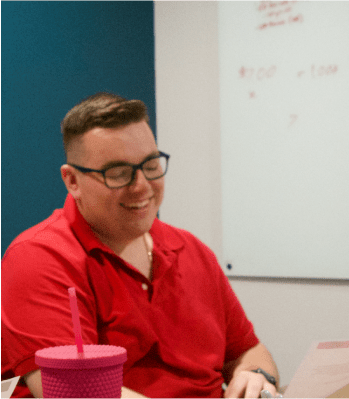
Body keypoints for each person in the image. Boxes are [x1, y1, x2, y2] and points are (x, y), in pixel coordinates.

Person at [1, 92, 280, 399]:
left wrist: (257, 377)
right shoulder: (39, 257)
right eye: (118, 174)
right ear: (72, 181)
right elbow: (71, 391)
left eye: (150, 165)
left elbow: (248, 350)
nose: (142, 186)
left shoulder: (191, 250)